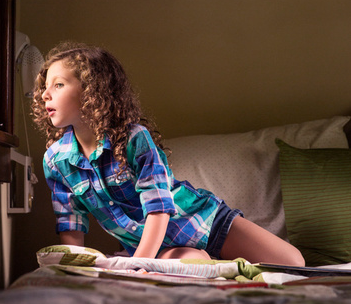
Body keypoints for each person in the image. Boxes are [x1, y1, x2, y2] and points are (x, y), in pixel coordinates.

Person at [32, 42, 305, 266]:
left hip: (203, 222)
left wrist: (137, 265)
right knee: (190, 262)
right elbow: (72, 223)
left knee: (294, 262)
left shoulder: (134, 138)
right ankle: (210, 264)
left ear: (92, 91)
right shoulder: (55, 161)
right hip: (156, 247)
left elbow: (159, 209)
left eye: (58, 85)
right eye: (45, 87)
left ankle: (216, 258)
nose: (45, 94)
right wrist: (71, 271)